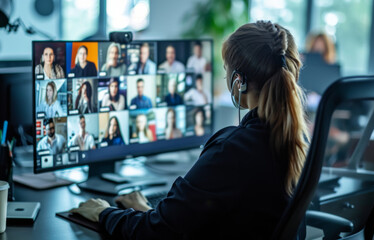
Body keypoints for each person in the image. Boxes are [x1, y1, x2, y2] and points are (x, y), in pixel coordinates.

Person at [70, 21, 309, 239]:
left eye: (226, 69)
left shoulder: (232, 149)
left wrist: (104, 212)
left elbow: (154, 234)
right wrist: (149, 211)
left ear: (239, 81)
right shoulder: (294, 140)